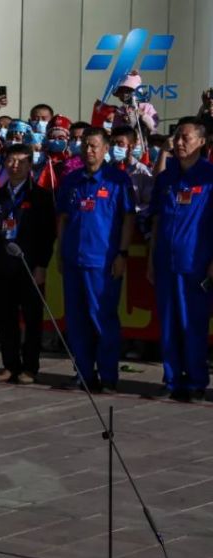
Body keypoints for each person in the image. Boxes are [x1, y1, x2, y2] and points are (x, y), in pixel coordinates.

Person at [56, 127, 136, 392]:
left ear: (105, 148)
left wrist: (122, 253)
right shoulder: (71, 180)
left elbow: (128, 219)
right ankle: (84, 374)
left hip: (102, 262)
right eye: (84, 146)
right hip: (73, 260)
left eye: (93, 146)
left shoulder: (117, 180)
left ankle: (109, 376)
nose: (88, 150)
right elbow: (63, 219)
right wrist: (61, 251)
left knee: (103, 320)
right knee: (76, 322)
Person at [148, 118, 213, 401]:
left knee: (193, 323)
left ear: (201, 142)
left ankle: (197, 381)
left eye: (186, 137)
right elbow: (156, 220)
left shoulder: (209, 177)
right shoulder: (165, 178)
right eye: (176, 137)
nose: (179, 142)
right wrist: (151, 259)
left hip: (196, 264)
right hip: (165, 262)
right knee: (169, 324)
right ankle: (172, 380)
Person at [0, 144, 56, 383]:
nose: (15, 166)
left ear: (30, 164)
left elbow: (48, 234)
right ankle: (9, 365)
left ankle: (30, 367)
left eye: (21, 161)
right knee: (5, 318)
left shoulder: (41, 197)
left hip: (30, 266)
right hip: (3, 266)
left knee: (32, 318)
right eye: (11, 160)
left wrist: (42, 264)